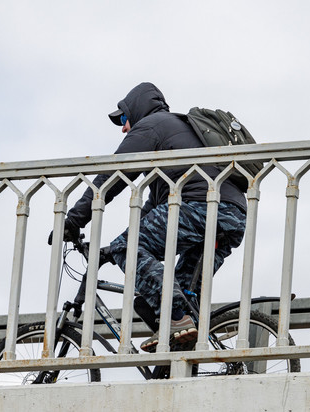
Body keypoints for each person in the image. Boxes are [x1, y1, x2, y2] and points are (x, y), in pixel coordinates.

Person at [55, 82, 247, 352]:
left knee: (131, 252)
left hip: (200, 206)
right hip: (232, 216)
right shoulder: (177, 133)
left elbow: (112, 176)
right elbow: (152, 210)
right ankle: (185, 344)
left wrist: (74, 220)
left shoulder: (152, 125)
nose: (123, 127)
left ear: (136, 109)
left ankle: (175, 319)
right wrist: (110, 250)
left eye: (123, 118)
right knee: (179, 293)